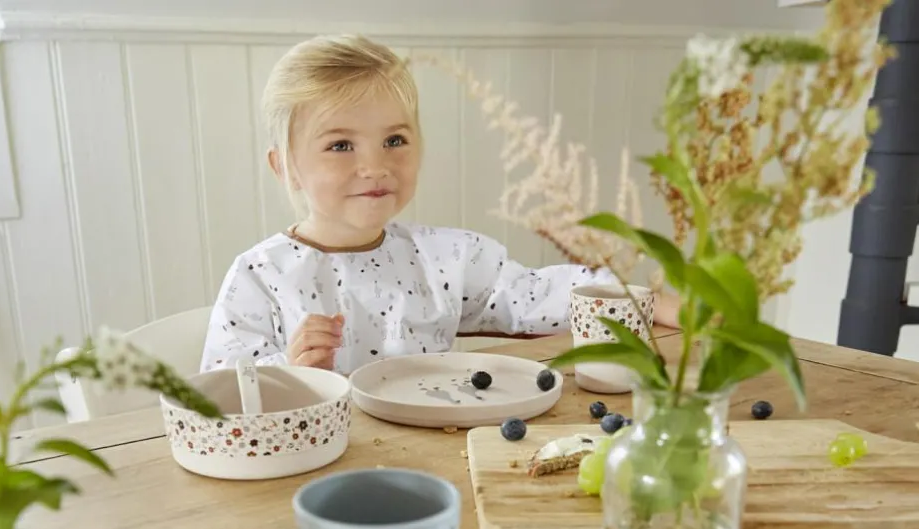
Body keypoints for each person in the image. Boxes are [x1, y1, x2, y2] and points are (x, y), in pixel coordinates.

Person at [200, 34, 676, 375]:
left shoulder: (446, 258)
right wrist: (292, 368)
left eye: (394, 139)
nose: (375, 165)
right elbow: (220, 398)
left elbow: (535, 295)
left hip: (438, 454)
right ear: (285, 167)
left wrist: (644, 301)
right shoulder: (260, 278)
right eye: (341, 145)